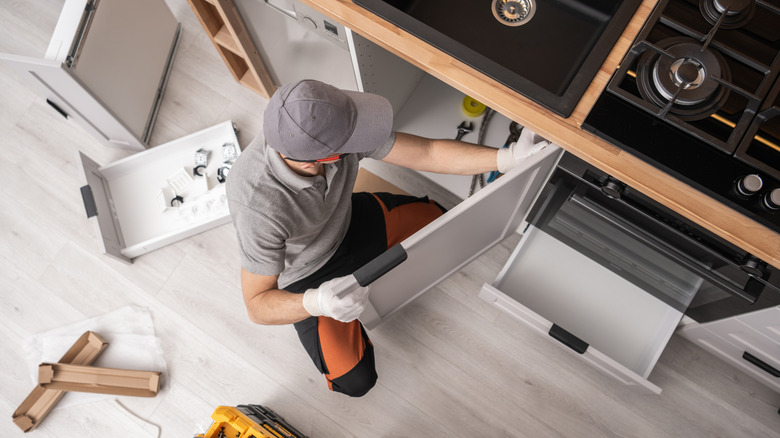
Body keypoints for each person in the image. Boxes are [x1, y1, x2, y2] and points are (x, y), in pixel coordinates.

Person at [226, 79, 549, 397]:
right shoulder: (257, 204)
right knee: (355, 382)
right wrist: (317, 302)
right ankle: (344, 314)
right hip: (311, 276)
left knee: (438, 220)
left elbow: (428, 153)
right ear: (320, 159)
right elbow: (257, 306)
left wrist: (507, 159)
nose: (359, 138)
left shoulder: (321, 122)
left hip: (352, 222)